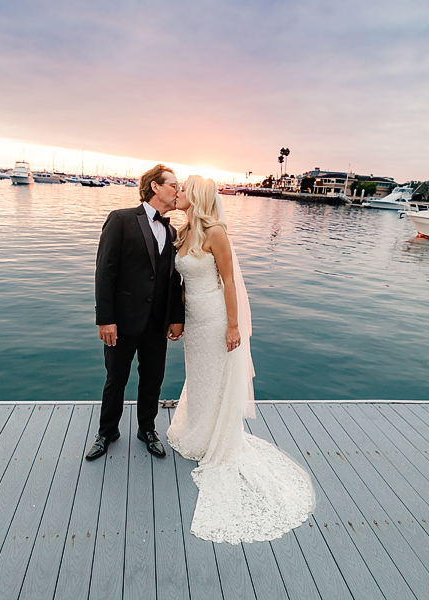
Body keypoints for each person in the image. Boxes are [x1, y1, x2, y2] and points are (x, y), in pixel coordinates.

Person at [166, 175, 315, 544]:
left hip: (217, 318)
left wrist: (233, 326)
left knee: (217, 377)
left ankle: (217, 440)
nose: (178, 194)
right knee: (199, 378)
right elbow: (181, 283)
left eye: (183, 190)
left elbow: (229, 282)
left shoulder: (216, 232)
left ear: (197, 197)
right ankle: (197, 431)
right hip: (195, 321)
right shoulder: (183, 234)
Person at [86, 164, 185, 460]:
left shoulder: (171, 230)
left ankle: (147, 429)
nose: (178, 191)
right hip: (123, 321)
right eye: (174, 185)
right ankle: (107, 432)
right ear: (155, 187)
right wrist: (105, 319)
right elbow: (105, 272)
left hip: (157, 323)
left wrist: (176, 318)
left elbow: (174, 279)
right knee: (116, 378)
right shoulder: (121, 219)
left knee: (153, 379)